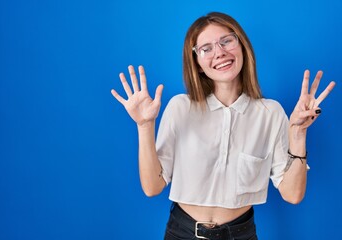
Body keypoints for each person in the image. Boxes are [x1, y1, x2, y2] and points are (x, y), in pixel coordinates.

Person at [111, 12, 335, 240]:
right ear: (197, 63)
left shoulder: (271, 113)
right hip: (182, 232)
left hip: (241, 234)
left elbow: (293, 194)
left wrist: (298, 133)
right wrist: (145, 126)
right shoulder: (180, 108)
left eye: (226, 40)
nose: (219, 52)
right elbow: (152, 187)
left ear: (242, 46)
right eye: (206, 48)